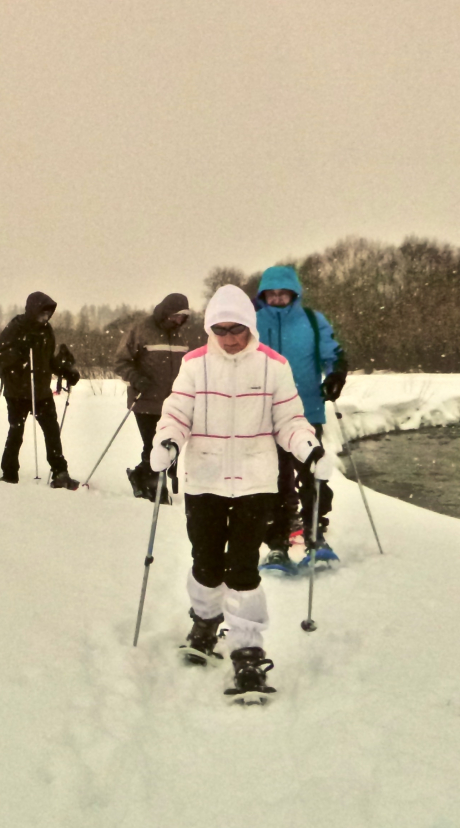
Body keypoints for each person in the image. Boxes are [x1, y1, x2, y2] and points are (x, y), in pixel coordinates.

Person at [150, 284, 325, 702]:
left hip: (254, 482)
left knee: (242, 568)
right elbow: (177, 413)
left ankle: (248, 648)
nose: (229, 337)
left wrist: (308, 448)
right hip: (205, 480)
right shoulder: (194, 364)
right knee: (206, 562)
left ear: (250, 325)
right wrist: (168, 441)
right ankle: (206, 621)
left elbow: (289, 419)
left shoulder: (273, 366)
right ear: (211, 328)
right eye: (221, 329)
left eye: (237, 328)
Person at [252, 265, 348, 570]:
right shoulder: (251, 322)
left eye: (283, 293)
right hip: (263, 415)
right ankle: (277, 543)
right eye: (272, 294)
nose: (278, 299)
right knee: (273, 481)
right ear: (263, 295)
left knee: (312, 475)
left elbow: (332, 353)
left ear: (294, 294)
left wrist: (336, 373)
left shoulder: (311, 320)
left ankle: (315, 535)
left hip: (306, 410)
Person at [0, 291, 81, 488]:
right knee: (16, 432)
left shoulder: (47, 330)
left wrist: (65, 371)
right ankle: (9, 474)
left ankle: (60, 472)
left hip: (41, 391)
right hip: (17, 391)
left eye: (48, 314)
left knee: (52, 431)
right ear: (33, 310)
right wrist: (20, 350)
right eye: (43, 313)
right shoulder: (16, 327)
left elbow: (48, 361)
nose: (46, 317)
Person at [113, 292, 193, 502]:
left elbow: (189, 366)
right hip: (146, 400)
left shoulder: (181, 336)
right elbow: (121, 362)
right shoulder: (141, 329)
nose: (178, 321)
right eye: (175, 316)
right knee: (154, 445)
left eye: (182, 317)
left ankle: (140, 475)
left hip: (174, 403)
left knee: (163, 446)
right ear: (165, 313)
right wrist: (136, 378)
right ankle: (156, 491)